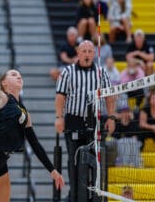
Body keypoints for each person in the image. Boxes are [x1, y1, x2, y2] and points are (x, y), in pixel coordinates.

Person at [0, 63, 64, 201]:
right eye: (13, 74)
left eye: (20, 75)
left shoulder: (24, 112)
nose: (19, 76)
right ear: (4, 82)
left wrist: (52, 170)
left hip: (1, 162)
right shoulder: (0, 97)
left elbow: (34, 143)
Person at [55, 40, 115, 202]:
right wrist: (59, 117)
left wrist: (111, 117)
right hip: (73, 120)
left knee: (95, 159)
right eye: (84, 51)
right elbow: (61, 96)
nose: (87, 54)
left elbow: (110, 96)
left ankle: (94, 195)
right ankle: (74, 194)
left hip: (95, 121)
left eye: (90, 51)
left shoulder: (101, 72)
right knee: (73, 159)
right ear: (78, 53)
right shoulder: (68, 72)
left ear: (94, 54)